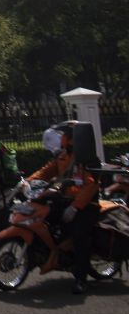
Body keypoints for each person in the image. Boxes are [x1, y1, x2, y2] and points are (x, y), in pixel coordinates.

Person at [28, 121, 98, 295]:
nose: (61, 139)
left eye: (64, 136)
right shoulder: (62, 156)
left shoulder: (88, 159)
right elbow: (45, 172)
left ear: (74, 139)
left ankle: (81, 279)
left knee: (79, 235)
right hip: (63, 200)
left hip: (85, 205)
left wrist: (75, 207)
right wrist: (28, 182)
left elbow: (91, 186)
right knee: (43, 217)